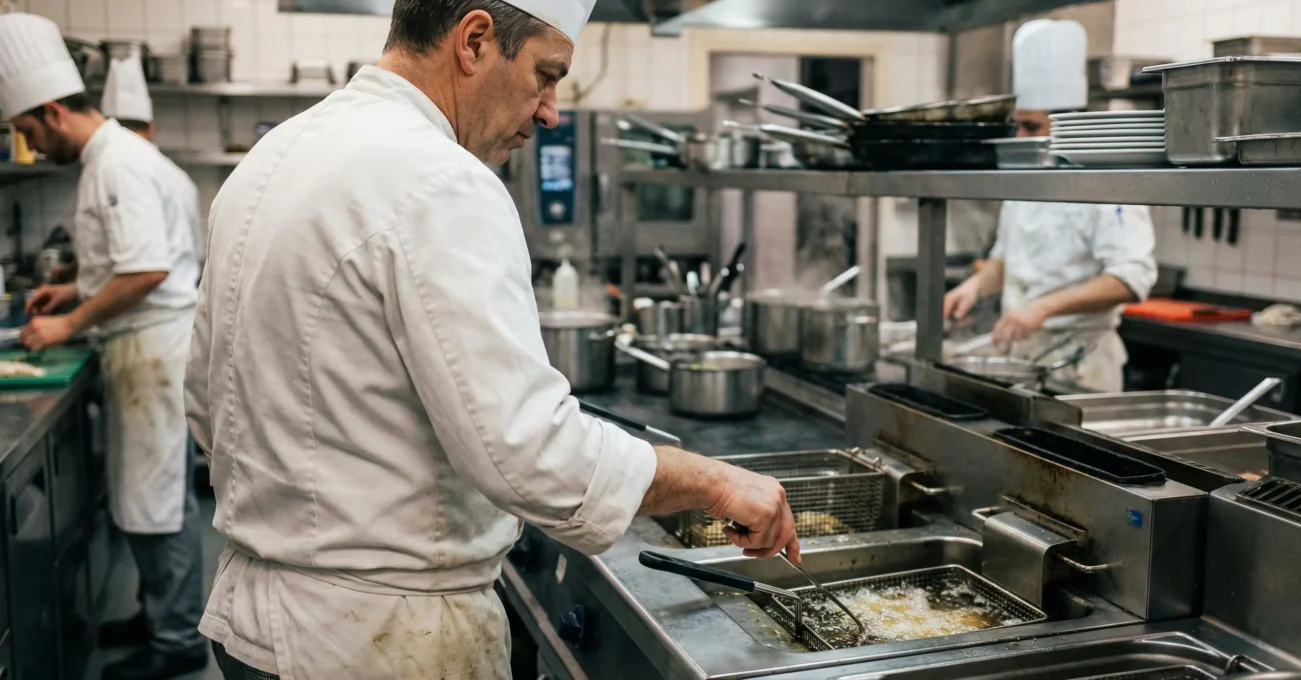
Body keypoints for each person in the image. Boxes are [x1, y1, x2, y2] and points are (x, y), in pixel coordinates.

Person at [185, 1, 800, 678]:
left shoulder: (271, 158)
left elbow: (206, 401)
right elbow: (531, 455)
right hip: (379, 640)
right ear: (475, 41)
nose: (550, 111)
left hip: (255, 624)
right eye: (546, 74)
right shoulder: (439, 180)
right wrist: (715, 482)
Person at [0, 13, 208, 680]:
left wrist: (68, 322)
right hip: (149, 348)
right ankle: (160, 619)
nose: (29, 143)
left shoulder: (115, 165)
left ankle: (176, 643)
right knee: (152, 497)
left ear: (53, 112)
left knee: (155, 503)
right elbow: (130, 261)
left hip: (152, 350)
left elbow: (147, 270)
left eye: (27, 130)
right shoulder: (116, 158)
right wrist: (73, 291)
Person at [943, 19, 1157, 393]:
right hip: (1023, 360)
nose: (1019, 137)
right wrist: (975, 286)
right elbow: (1005, 259)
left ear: (1066, 125)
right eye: (1018, 126)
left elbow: (1132, 277)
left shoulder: (1107, 182)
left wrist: (1042, 308)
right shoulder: (1025, 179)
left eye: (1029, 127)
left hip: (1080, 368)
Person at [100, 46, 206, 270]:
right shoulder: (178, 176)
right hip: (184, 291)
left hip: (150, 301)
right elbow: (196, 250)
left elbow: (143, 270)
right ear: (151, 128)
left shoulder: (120, 167)